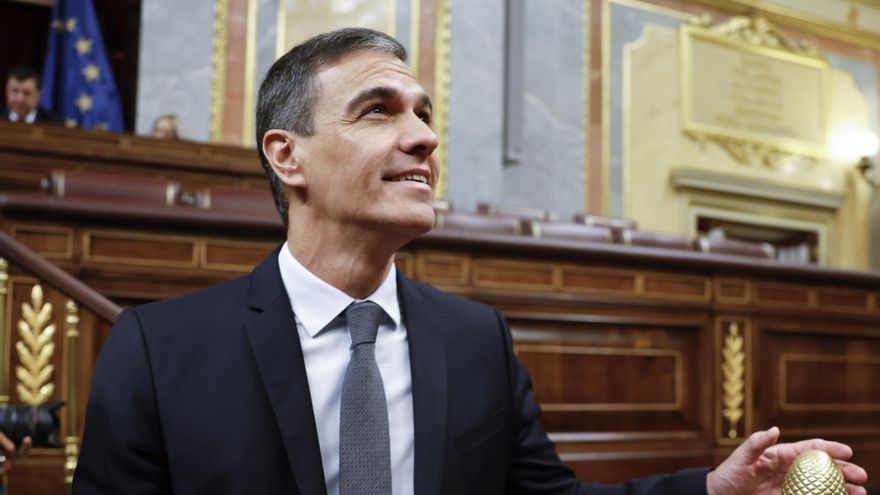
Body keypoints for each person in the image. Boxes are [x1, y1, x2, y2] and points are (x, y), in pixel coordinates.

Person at [71, 28, 868, 494]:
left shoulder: (474, 338)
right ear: (288, 155)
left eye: (424, 113)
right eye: (377, 111)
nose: (422, 136)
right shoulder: (157, 349)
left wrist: (709, 487)